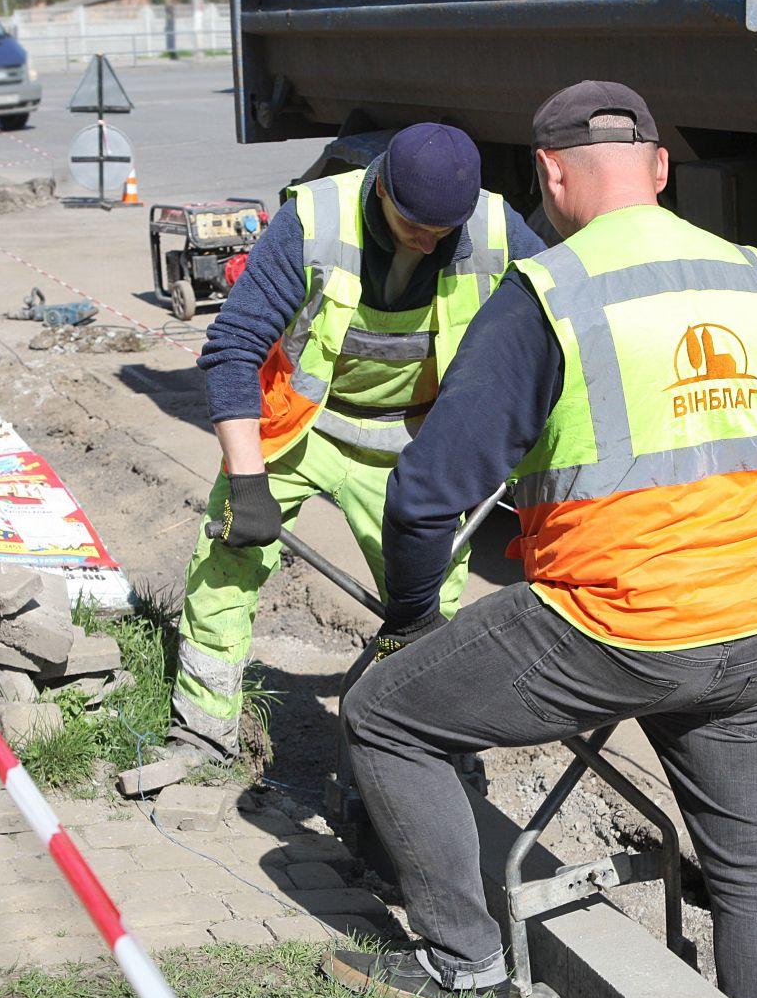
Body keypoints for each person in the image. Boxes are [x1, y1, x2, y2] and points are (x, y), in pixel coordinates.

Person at [330, 82, 757, 998]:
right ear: (661, 170)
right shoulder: (753, 281)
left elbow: (427, 493)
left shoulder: (549, 292)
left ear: (550, 175)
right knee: (751, 854)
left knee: (383, 716)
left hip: (612, 620)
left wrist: (410, 619)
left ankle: (466, 966)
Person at [149, 123, 549, 780]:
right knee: (227, 559)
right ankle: (201, 737)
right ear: (382, 187)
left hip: (414, 443)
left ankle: (420, 755)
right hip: (306, 427)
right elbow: (231, 349)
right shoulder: (314, 220)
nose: (430, 240)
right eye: (415, 224)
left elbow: (558, 330)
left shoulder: (498, 232)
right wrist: (248, 484)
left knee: (428, 612)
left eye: (445, 229)